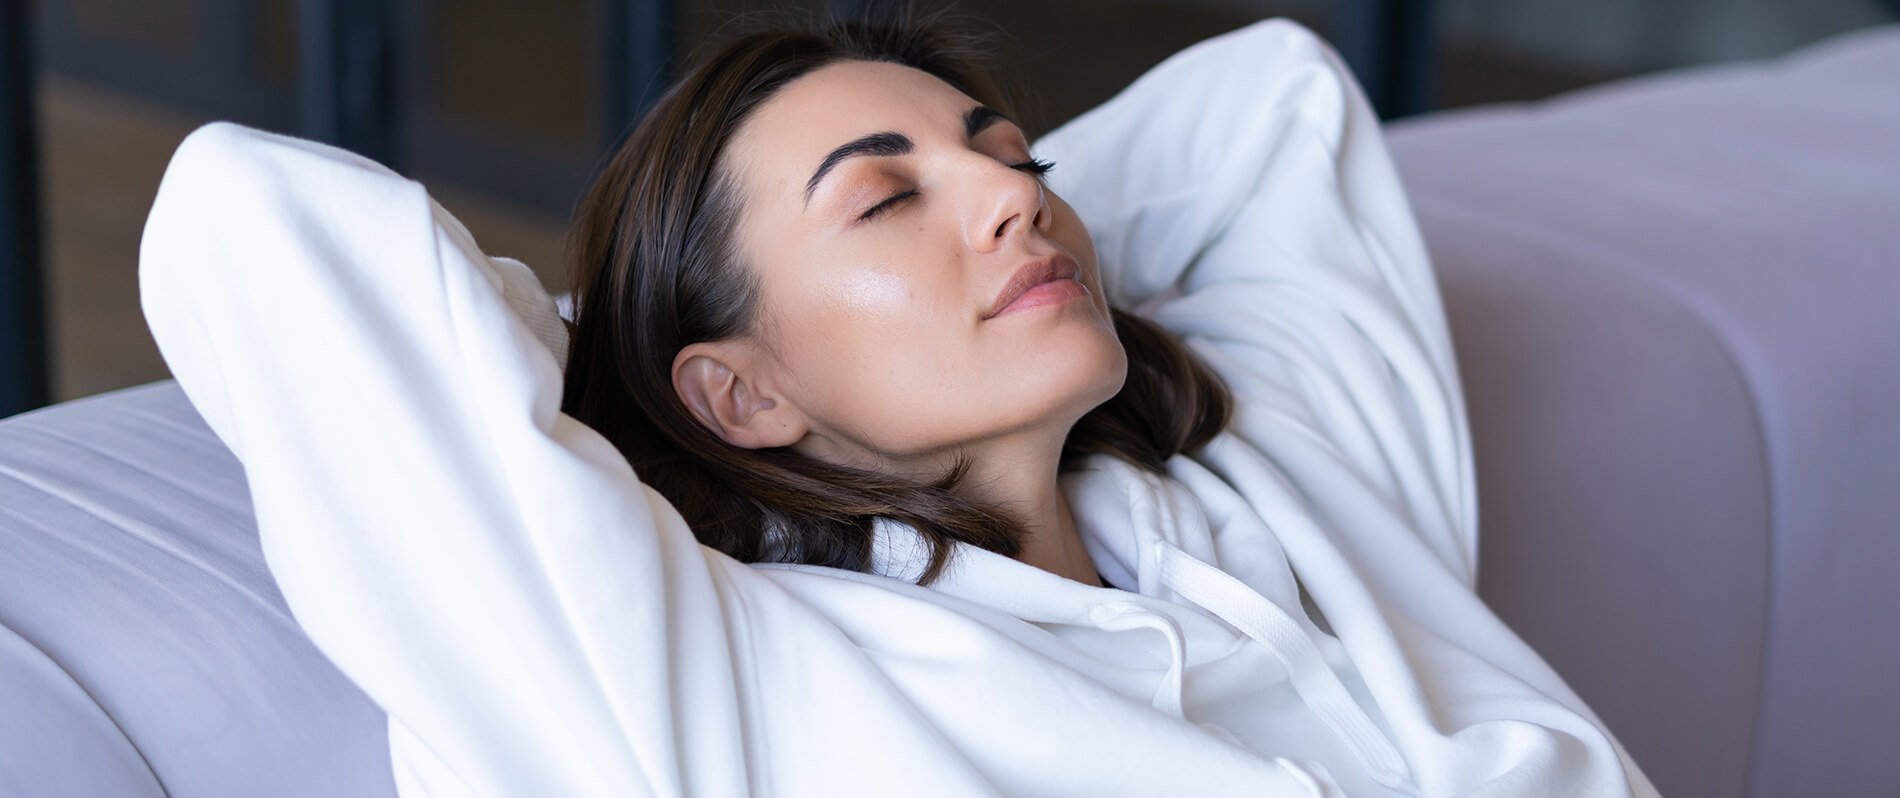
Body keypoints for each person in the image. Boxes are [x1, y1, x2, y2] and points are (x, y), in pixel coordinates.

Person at [138, 10, 1659, 798]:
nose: (1011, 191)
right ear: (736, 388)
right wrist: (637, 362)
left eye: (1020, 159)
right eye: (883, 202)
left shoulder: (1281, 476)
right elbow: (246, 220)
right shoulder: (716, 674)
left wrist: (972, 247)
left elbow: (1270, 98)